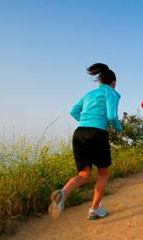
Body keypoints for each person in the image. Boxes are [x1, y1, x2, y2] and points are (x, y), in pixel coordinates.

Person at [48, 63, 123, 220]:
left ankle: (62, 194)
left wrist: (85, 121)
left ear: (99, 81)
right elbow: (111, 116)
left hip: (80, 132)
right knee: (103, 174)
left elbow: (74, 111)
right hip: (98, 133)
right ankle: (94, 210)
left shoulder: (89, 94)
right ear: (113, 83)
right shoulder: (112, 93)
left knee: (83, 175)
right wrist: (119, 128)